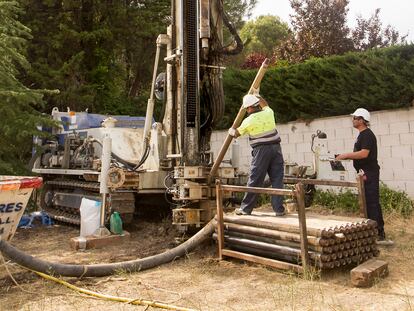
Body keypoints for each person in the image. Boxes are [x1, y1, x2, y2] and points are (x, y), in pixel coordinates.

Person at [336, 108, 392, 245]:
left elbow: (364, 154)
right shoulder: (362, 135)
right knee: (367, 203)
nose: (353, 120)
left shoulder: (367, 135)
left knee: (372, 203)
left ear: (361, 120)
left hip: (370, 173)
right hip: (364, 172)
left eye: (354, 118)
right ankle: (371, 232)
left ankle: (379, 233)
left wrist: (346, 155)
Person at [228, 94, 285, 216]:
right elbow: (266, 104)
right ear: (257, 104)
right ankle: (279, 210)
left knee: (255, 179)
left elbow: (236, 134)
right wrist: (258, 95)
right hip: (276, 149)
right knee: (277, 179)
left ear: (248, 108)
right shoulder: (269, 112)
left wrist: (231, 130)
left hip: (261, 152)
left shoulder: (248, 121)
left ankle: (246, 209)